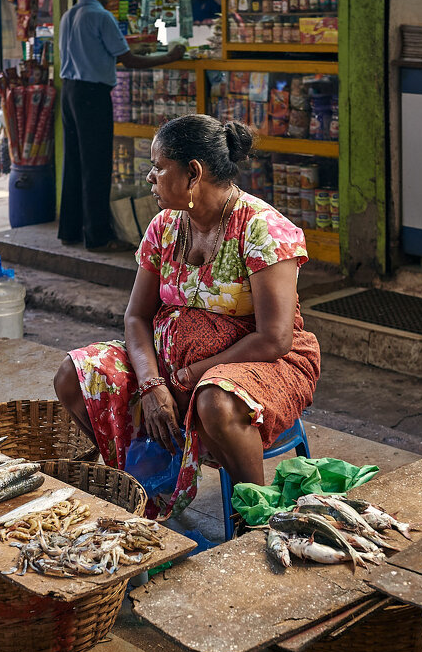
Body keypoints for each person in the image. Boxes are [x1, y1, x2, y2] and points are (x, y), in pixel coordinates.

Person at [54, 115, 322, 522]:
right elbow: (136, 318)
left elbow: (274, 339)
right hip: (169, 362)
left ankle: (256, 518)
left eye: (159, 167)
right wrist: (152, 383)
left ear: (193, 173)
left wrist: (186, 377)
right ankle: (145, 485)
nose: (150, 177)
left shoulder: (262, 228)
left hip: (262, 364)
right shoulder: (164, 226)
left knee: (214, 400)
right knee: (75, 376)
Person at [59, 0, 186, 252]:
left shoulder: (69, 15)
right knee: (96, 165)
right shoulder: (100, 15)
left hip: (69, 92)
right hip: (92, 95)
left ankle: (69, 231)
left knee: (74, 162)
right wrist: (170, 57)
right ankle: (98, 237)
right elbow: (128, 59)